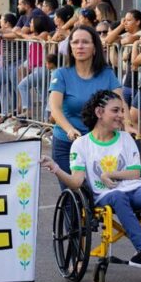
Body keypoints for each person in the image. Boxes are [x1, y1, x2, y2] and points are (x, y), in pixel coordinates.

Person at [41, 90, 141, 268]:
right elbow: (76, 182)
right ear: (99, 112)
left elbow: (136, 173)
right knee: (117, 196)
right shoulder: (81, 145)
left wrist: (110, 174)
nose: (121, 115)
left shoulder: (126, 138)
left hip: (134, 189)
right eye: (116, 111)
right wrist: (56, 168)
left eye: (122, 111)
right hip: (105, 195)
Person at [47, 26, 123, 174]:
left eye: (85, 42)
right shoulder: (61, 74)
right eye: (75, 42)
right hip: (67, 142)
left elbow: (120, 103)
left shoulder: (107, 74)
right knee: (74, 192)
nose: (80, 46)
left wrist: (128, 124)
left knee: (100, 192)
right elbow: (55, 108)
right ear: (70, 48)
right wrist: (69, 130)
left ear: (95, 47)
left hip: (99, 143)